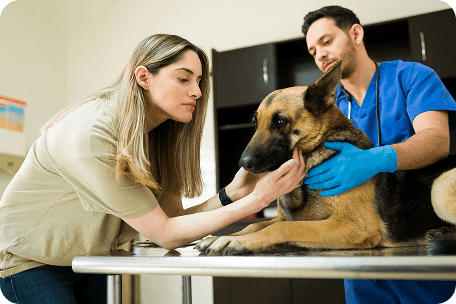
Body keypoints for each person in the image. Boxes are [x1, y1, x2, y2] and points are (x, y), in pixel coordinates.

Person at [0, 34, 306, 303]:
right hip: (30, 260)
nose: (197, 92)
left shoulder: (157, 136)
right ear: (144, 77)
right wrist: (257, 200)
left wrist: (232, 194)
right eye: (184, 79)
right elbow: (166, 235)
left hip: (86, 257)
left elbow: (172, 221)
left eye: (199, 81)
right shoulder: (92, 134)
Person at [301, 6, 456, 304]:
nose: (319, 54)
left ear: (355, 34)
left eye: (326, 41)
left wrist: (376, 159)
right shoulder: (326, 110)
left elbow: (437, 140)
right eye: (312, 50)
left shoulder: (411, 76)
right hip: (359, 252)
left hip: (420, 245)